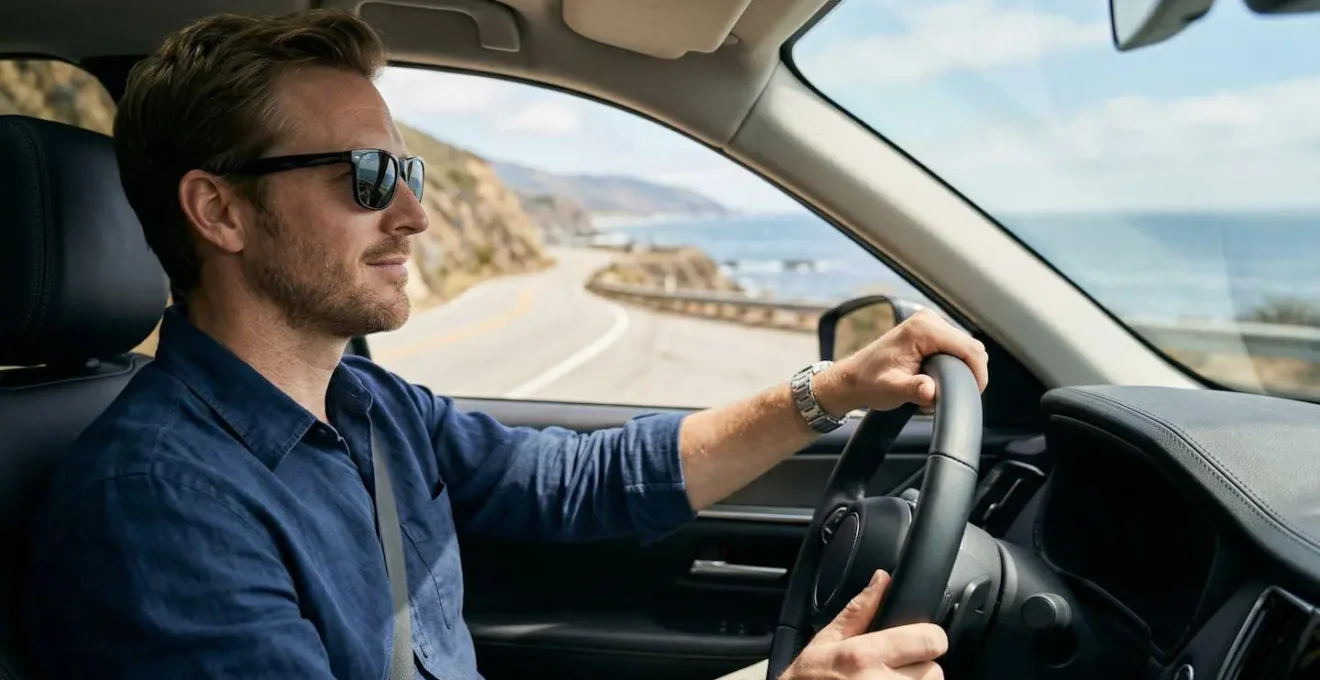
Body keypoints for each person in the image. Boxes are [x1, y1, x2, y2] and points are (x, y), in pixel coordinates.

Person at [23, 9, 988, 680]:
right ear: (219, 210)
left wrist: (833, 388)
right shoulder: (158, 507)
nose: (412, 215)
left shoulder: (366, 404)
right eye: (365, 175)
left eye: (408, 170)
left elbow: (578, 483)